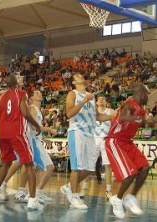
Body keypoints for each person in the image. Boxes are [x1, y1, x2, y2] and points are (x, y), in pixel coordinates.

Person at [0, 74, 43, 211]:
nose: (21, 79)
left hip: (3, 133)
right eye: (19, 78)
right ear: (16, 83)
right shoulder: (21, 93)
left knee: (5, 164)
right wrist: (36, 124)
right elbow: (25, 112)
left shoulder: (1, 96)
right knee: (30, 165)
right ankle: (32, 200)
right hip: (17, 132)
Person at [60, 73, 112, 210]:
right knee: (76, 168)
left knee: (89, 168)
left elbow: (98, 116)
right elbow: (69, 113)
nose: (81, 76)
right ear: (74, 82)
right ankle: (74, 196)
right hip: (77, 132)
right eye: (77, 76)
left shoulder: (91, 96)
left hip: (90, 134)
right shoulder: (73, 94)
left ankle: (68, 187)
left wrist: (115, 115)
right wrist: (83, 101)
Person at [0, 90, 56, 204]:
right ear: (31, 98)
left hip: (32, 139)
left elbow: (34, 129)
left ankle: (26, 192)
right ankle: (30, 193)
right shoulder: (32, 108)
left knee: (28, 165)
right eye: (37, 93)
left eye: (40, 93)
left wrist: (44, 138)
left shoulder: (36, 109)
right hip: (27, 139)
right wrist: (49, 129)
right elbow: (33, 127)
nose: (40, 94)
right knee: (34, 166)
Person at [106, 84, 150, 219]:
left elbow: (143, 123)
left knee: (145, 167)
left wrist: (150, 120)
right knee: (130, 173)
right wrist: (139, 119)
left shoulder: (142, 109)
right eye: (147, 94)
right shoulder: (128, 104)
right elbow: (122, 118)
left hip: (127, 142)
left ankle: (130, 198)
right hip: (115, 141)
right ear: (141, 93)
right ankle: (117, 200)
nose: (148, 97)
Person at [79, 94, 115, 200]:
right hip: (93, 139)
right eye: (99, 99)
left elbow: (115, 125)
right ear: (96, 103)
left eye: (103, 98)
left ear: (106, 102)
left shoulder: (111, 111)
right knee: (88, 165)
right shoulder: (91, 111)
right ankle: (83, 189)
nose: (101, 99)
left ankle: (108, 191)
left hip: (105, 139)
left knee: (108, 166)